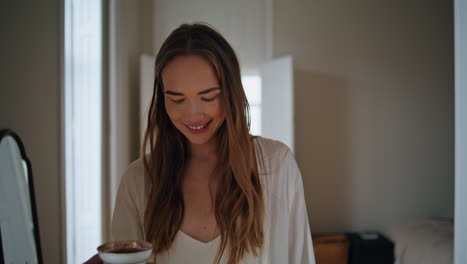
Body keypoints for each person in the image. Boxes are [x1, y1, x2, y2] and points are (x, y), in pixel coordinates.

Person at [85, 22, 315, 264]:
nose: (193, 115)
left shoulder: (277, 165)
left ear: (231, 92)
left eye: (208, 97)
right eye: (177, 99)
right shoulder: (138, 181)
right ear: (162, 98)